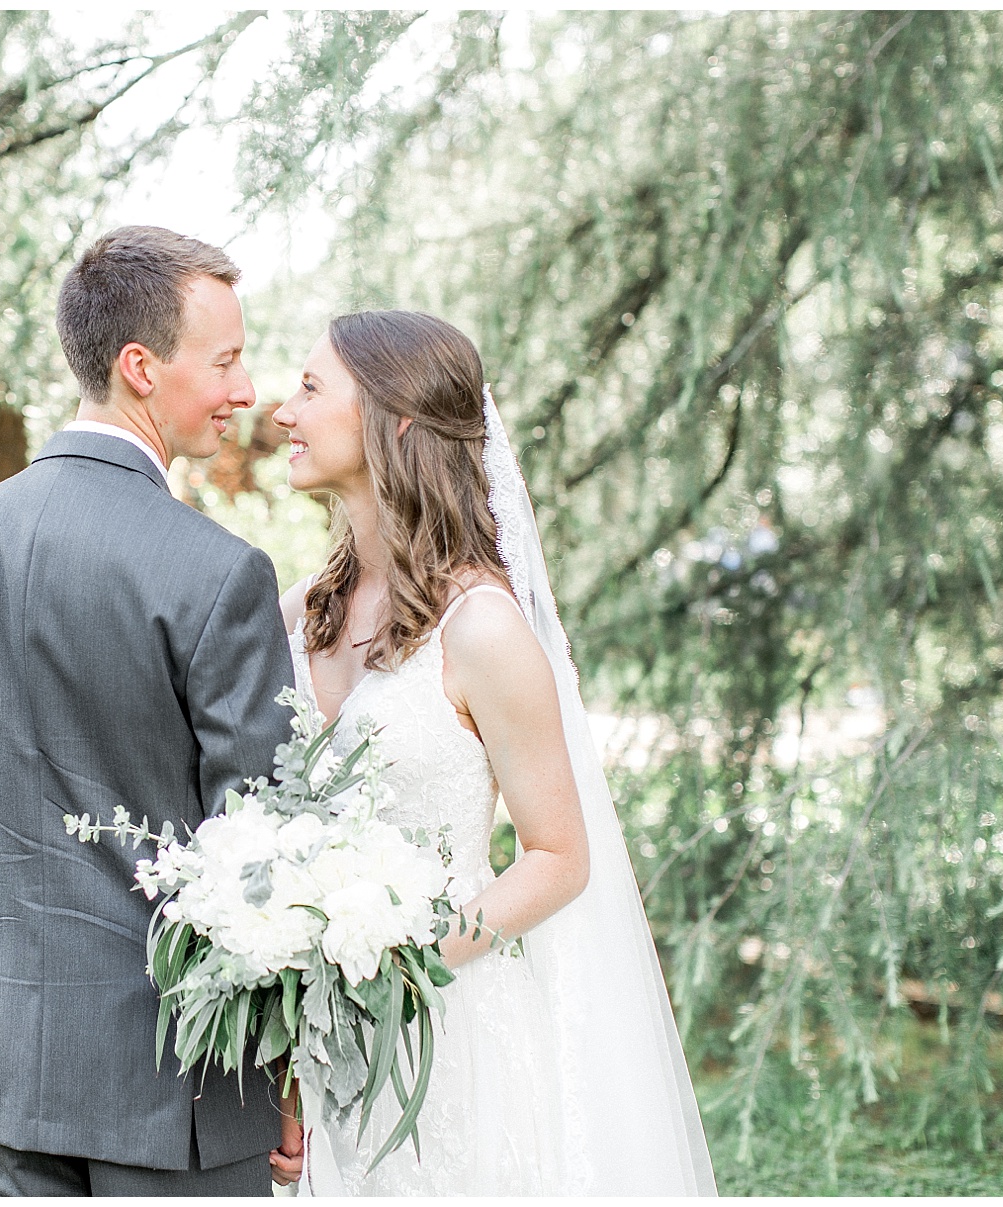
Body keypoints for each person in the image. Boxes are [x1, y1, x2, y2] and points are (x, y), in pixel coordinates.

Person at [0, 226, 301, 1196]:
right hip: (185, 1089)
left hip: (14, 1068)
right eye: (228, 360)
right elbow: (261, 843)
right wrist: (277, 1064)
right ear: (141, 367)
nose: (247, 391)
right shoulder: (219, 574)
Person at [270, 310, 718, 1195]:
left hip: (447, 1030)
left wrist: (406, 966)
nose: (283, 411)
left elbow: (558, 856)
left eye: (312, 387)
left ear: (394, 421)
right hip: (318, 1041)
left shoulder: (482, 627)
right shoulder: (298, 611)